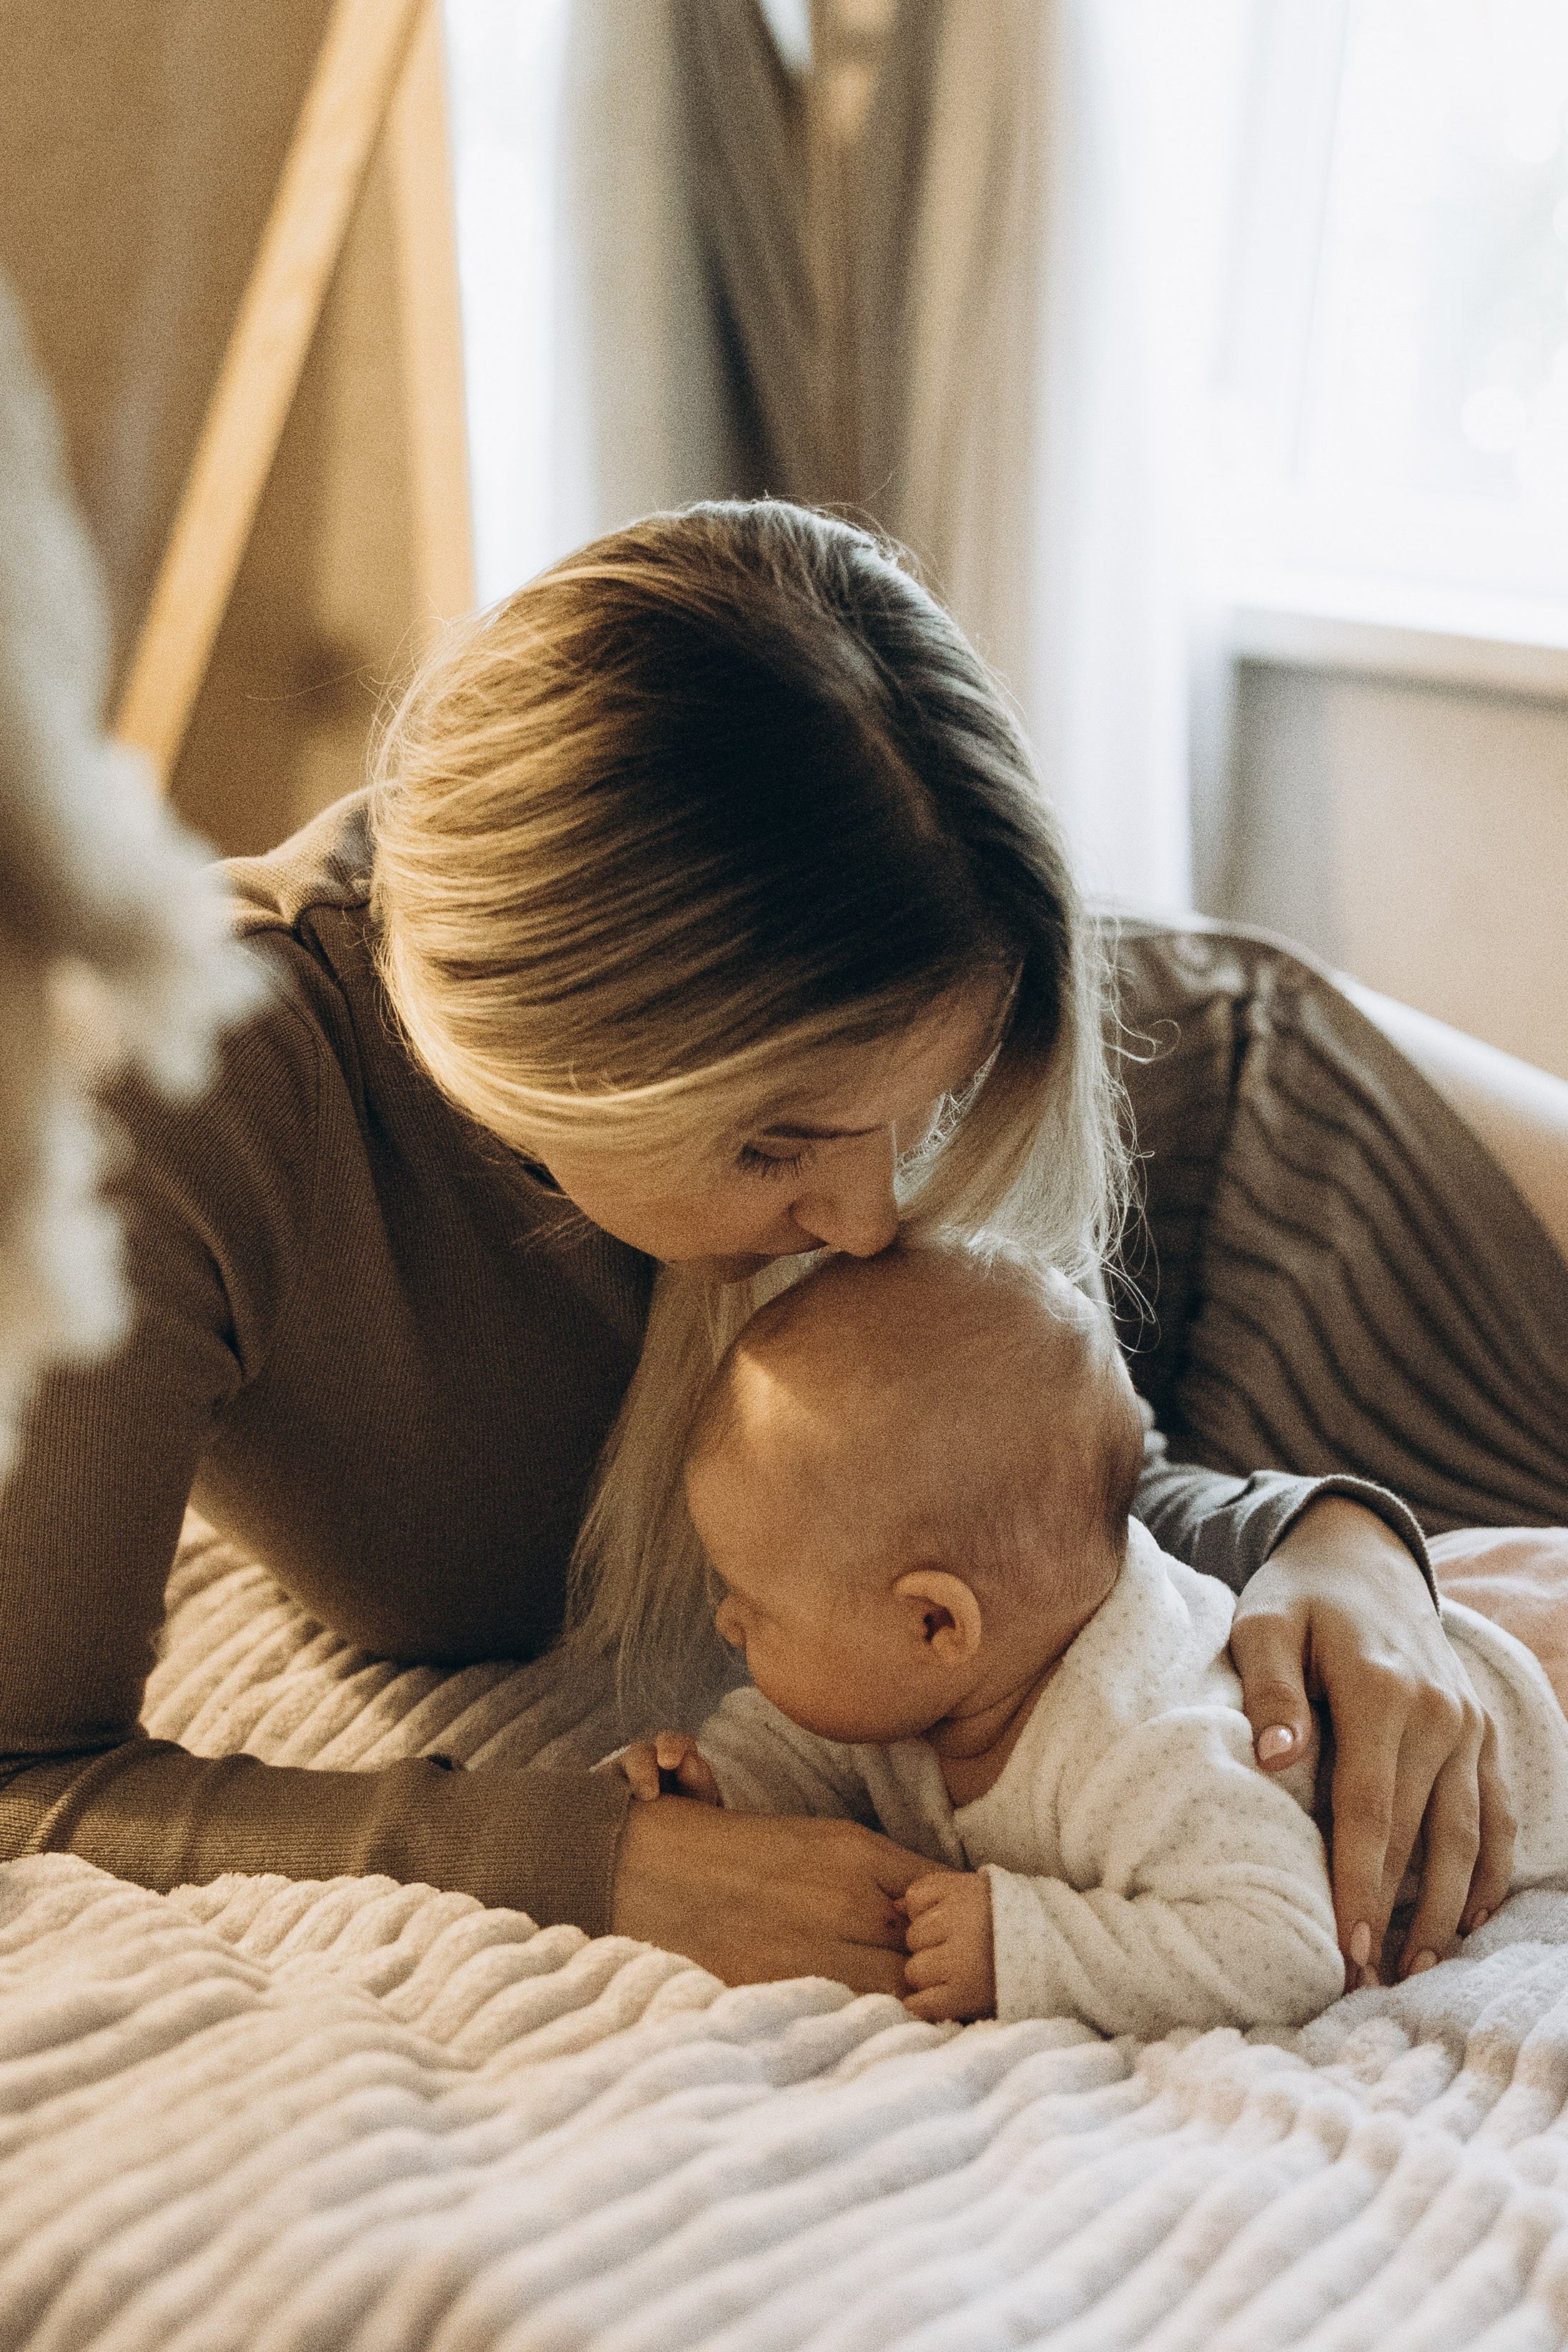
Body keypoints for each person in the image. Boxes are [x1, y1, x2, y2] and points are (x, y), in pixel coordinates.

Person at [0, 501, 1512, 1994]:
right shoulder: (148, 1106)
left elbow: (1017, 1505)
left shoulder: (864, 1092)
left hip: (1258, 1140)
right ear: (556, 1066)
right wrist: (598, 1857)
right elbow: (23, 1769)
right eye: (773, 1143)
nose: (866, 1223)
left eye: (917, 1123)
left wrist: (1337, 1542)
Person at [616, 1245, 1568, 2032]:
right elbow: (806, 1750)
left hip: (1527, 1715)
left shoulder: (1148, 1741)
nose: (725, 1624)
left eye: (752, 1601)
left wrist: (1023, 1942)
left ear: (935, 1620)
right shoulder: (921, 1681)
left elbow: (1282, 1947)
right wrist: (716, 1789)